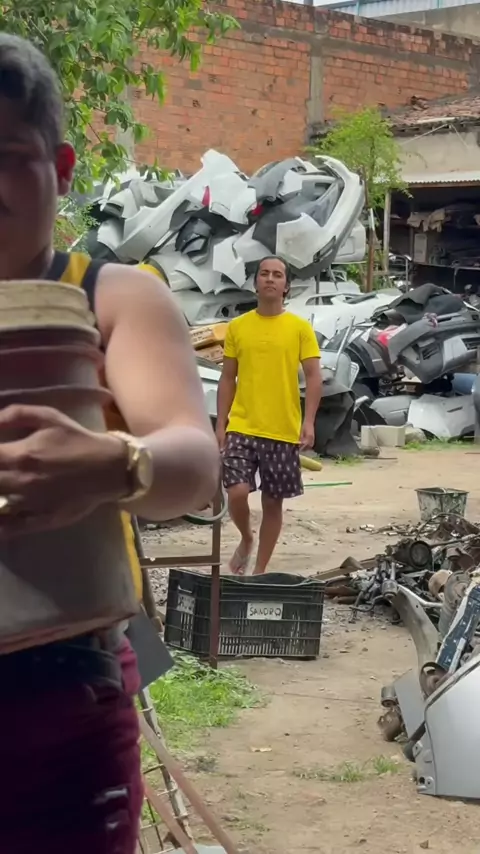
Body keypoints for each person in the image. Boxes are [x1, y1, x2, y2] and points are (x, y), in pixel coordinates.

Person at [0, 33, 219, 854]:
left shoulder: (112, 297)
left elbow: (194, 461)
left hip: (60, 698)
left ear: (59, 169)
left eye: (4, 158)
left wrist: (116, 463)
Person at [216, 255, 322, 575]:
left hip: (282, 428)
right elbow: (227, 378)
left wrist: (309, 421)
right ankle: (246, 537)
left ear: (286, 286)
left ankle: (259, 572)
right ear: (256, 283)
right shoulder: (238, 327)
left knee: (273, 502)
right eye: (264, 274)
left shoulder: (300, 328)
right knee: (236, 491)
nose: (270, 279)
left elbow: (314, 377)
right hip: (242, 425)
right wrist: (221, 424)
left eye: (277, 275)